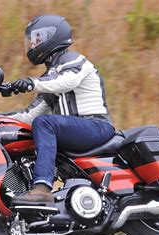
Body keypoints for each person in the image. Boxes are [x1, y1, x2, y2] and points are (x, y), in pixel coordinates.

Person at [7, 14, 115, 205]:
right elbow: (30, 116)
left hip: (96, 125)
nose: (33, 44)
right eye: (32, 40)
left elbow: (67, 81)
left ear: (53, 37)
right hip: (75, 129)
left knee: (45, 124)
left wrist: (32, 83)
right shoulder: (50, 77)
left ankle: (42, 188)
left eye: (37, 39)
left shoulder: (74, 60)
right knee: (33, 129)